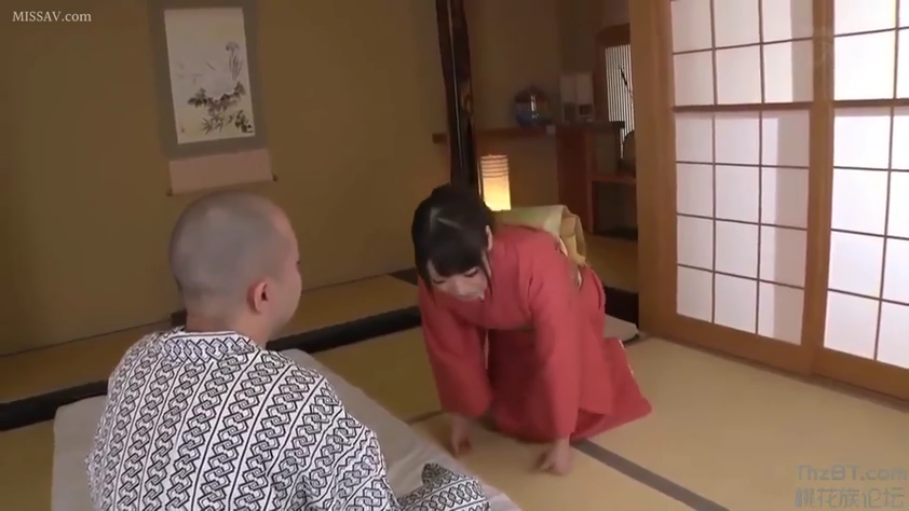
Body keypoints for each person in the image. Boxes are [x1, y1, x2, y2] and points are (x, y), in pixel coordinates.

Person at [86, 191, 489, 510]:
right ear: (263, 294)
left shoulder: (135, 361)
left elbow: (99, 472)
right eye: (297, 264)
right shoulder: (292, 396)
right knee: (463, 495)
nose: (300, 272)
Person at [411, 185, 652, 476]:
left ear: (487, 238)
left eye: (470, 273)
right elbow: (451, 350)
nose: (459, 289)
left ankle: (611, 359)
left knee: (575, 412)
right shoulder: (432, 280)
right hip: (508, 321)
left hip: (570, 305)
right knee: (509, 417)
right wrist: (459, 417)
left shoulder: (534, 258)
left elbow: (559, 351)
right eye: (442, 280)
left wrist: (561, 442)